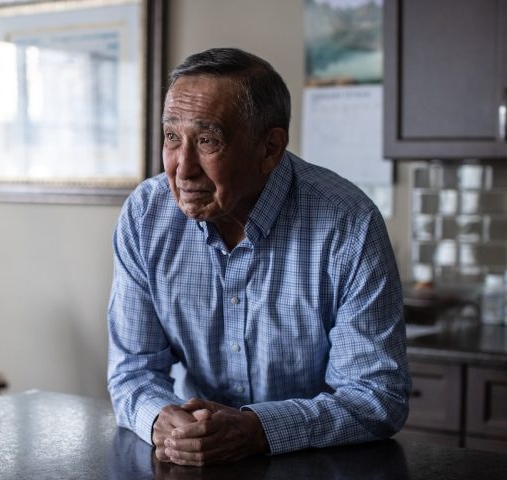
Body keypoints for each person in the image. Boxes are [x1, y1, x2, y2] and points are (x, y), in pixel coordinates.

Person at [107, 48, 411, 465]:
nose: (182, 168)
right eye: (172, 137)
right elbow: (132, 371)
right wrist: (162, 419)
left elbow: (377, 397)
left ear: (270, 148)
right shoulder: (146, 215)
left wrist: (258, 429)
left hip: (314, 464)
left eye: (208, 140)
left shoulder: (348, 223)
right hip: (193, 458)